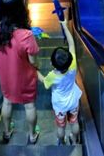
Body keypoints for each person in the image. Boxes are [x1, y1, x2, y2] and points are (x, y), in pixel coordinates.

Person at [0, 0, 40, 144]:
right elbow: (33, 60)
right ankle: (32, 135)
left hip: (4, 75)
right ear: (20, 10)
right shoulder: (26, 35)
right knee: (29, 106)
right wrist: (38, 68)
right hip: (25, 78)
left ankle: (7, 132)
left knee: (7, 100)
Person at [37, 16, 82, 145]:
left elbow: (44, 82)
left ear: (52, 63)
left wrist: (34, 70)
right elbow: (72, 43)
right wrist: (64, 25)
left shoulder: (52, 76)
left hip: (60, 105)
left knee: (61, 127)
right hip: (73, 101)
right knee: (74, 122)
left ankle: (61, 141)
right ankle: (74, 140)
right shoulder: (73, 65)